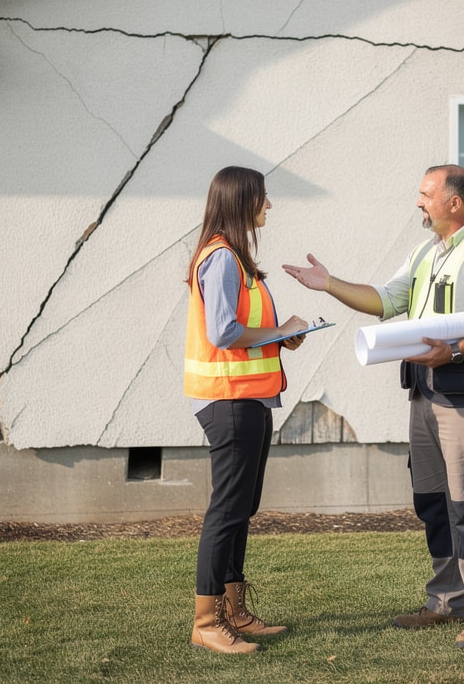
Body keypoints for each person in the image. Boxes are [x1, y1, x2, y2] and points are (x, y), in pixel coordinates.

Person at [283, 164, 464, 650]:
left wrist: (453, 351)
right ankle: (446, 600)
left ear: (454, 202)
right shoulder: (425, 253)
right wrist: (329, 283)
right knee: (434, 502)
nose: (418, 202)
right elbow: (385, 300)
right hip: (425, 394)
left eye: (425, 194)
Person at [184, 165, 309, 654]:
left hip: (249, 399)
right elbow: (223, 332)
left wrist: (282, 338)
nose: (269, 205)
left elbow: (242, 331)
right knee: (227, 510)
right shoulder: (221, 259)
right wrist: (280, 332)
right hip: (230, 401)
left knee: (241, 508)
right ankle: (206, 623)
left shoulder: (235, 259)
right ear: (242, 201)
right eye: (263, 197)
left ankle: (233, 611)